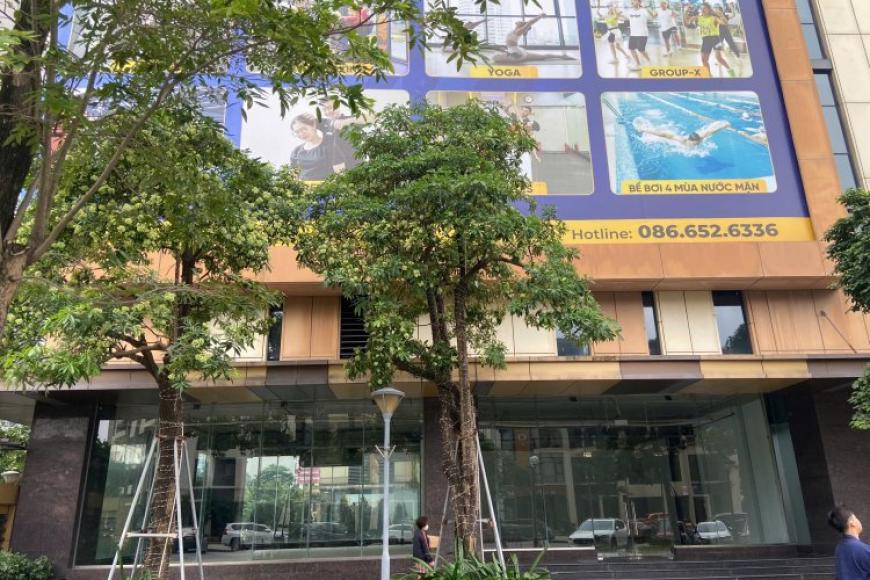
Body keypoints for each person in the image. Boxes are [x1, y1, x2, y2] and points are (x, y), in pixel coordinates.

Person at [491, 14, 575, 64]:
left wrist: (540, 16)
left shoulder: (518, 31)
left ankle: (562, 56)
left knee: (494, 57)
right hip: (519, 52)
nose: (518, 21)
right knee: (543, 56)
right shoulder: (516, 31)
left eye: (520, 22)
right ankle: (562, 56)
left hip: (516, 53)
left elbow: (530, 22)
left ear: (521, 25)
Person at [289, 112, 344, 181]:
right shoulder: (296, 151)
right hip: (303, 187)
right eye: (297, 132)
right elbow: (294, 178)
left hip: (326, 186)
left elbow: (340, 174)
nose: (301, 134)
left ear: (313, 125)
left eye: (304, 129)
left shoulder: (330, 145)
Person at [685, 2, 733, 77]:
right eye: (701, 8)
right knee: (704, 60)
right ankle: (709, 76)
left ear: (709, 9)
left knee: (719, 58)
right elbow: (687, 22)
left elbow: (724, 24)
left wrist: (722, 16)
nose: (703, 10)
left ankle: (731, 71)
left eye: (705, 8)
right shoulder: (698, 17)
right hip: (705, 40)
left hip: (715, 39)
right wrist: (686, 11)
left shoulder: (714, 18)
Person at [829, 506, 870, 579]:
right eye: (856, 518)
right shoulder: (863, 549)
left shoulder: (839, 547)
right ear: (852, 523)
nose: (858, 521)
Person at [633, 117, 730, 147]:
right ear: (690, 141)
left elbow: (711, 130)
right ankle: (644, 128)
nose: (696, 144)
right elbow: (663, 134)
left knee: (706, 132)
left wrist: (723, 125)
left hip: (691, 137)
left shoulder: (700, 137)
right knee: (663, 137)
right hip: (672, 137)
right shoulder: (682, 140)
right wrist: (644, 130)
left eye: (697, 142)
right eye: (694, 143)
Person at [625, 0, 655, 71]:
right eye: (632, 1)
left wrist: (647, 8)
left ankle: (650, 61)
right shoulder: (629, 11)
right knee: (631, 49)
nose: (633, 2)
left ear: (639, 2)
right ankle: (638, 64)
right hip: (633, 34)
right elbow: (624, 17)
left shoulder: (644, 11)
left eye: (635, 0)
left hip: (642, 34)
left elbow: (653, 17)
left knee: (641, 50)